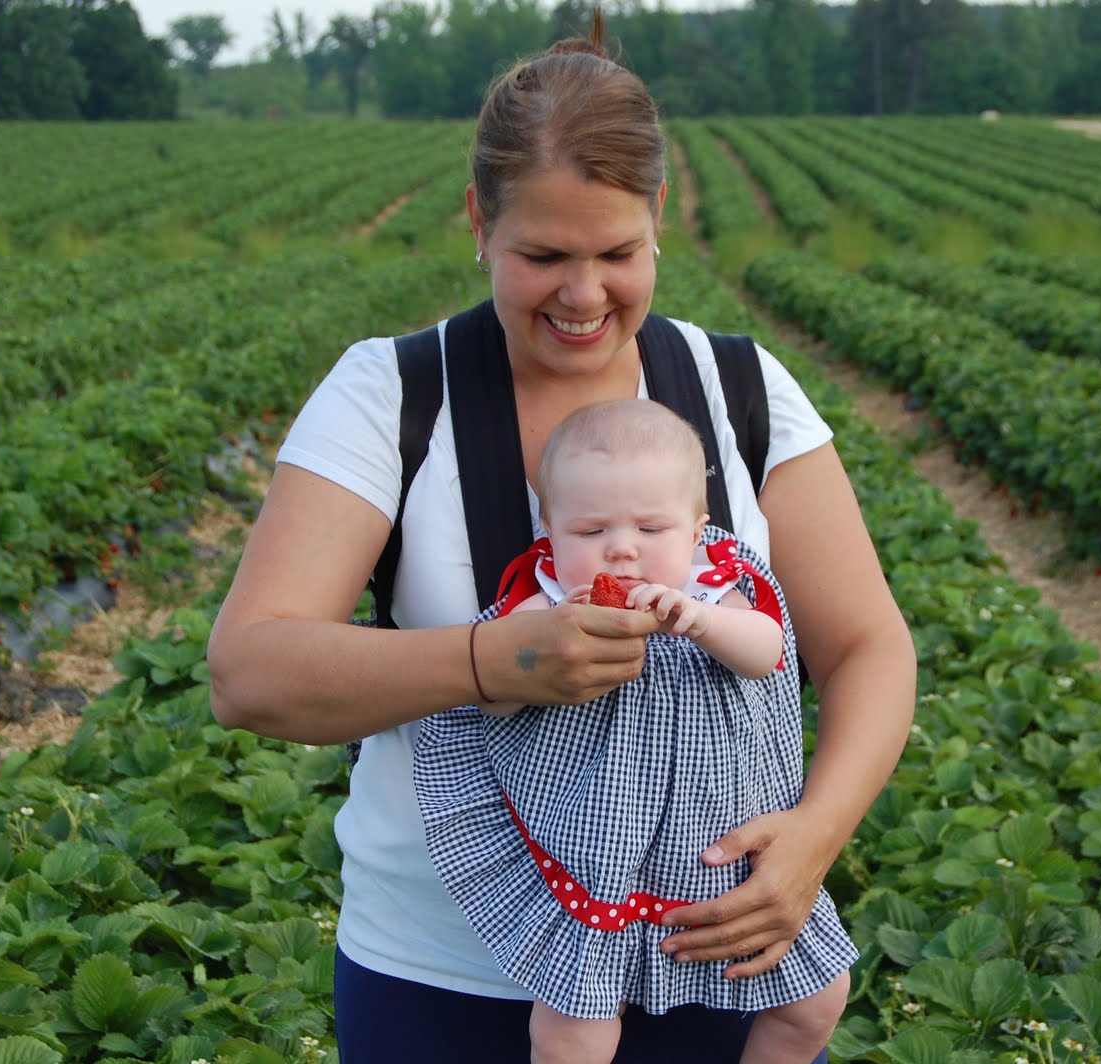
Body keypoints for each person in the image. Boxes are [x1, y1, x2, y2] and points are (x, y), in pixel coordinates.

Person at [205, 13, 917, 1062]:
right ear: (477, 222)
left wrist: (813, 837)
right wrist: (493, 660)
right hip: (440, 968)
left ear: (661, 216)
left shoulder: (739, 389)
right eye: (542, 254)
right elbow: (247, 669)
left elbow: (867, 645)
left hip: (707, 951)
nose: (584, 297)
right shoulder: (391, 395)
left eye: (617, 253)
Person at [414, 398, 855, 1063]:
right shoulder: (543, 601)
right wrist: (531, 658)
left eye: (652, 527)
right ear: (550, 529)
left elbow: (767, 653)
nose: (622, 549)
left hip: (726, 861)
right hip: (600, 856)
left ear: (699, 529)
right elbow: (493, 707)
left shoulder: (715, 586)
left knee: (818, 1001)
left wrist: (698, 621)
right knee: (573, 1036)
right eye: (590, 530)